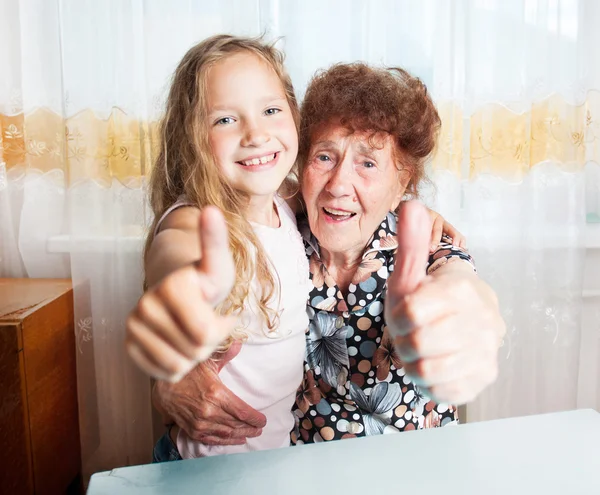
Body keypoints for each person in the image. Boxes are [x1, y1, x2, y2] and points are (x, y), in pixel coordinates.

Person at [125, 35, 463, 461]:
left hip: (338, 468)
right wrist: (182, 285)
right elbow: (176, 244)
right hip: (215, 468)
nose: (255, 134)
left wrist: (419, 216)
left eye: (269, 111)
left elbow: (453, 288)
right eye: (225, 119)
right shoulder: (232, 216)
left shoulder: (292, 207)